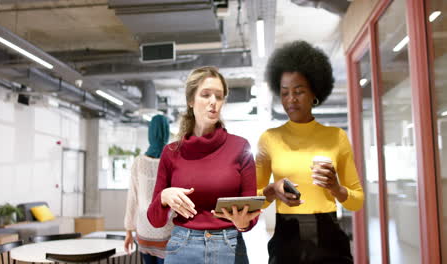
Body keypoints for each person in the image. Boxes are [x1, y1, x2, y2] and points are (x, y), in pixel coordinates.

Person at [256, 41, 364, 264]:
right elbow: (255, 199)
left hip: (330, 240)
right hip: (287, 239)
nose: (291, 99)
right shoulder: (269, 138)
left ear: (315, 91)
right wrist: (273, 190)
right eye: (285, 93)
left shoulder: (336, 137)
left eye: (299, 91)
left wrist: (335, 187)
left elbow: (356, 201)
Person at [147, 66, 261, 264]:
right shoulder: (171, 152)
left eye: (219, 96)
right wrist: (164, 197)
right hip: (182, 247)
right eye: (205, 95)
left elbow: (250, 214)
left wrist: (244, 222)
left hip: (229, 245)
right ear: (191, 101)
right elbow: (155, 219)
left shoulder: (240, 147)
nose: (213, 102)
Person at [124, 114, 173, 264]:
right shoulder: (173, 160)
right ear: (166, 132)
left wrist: (128, 232)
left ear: (150, 133)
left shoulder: (138, 162)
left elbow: (132, 198)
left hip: (144, 231)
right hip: (167, 231)